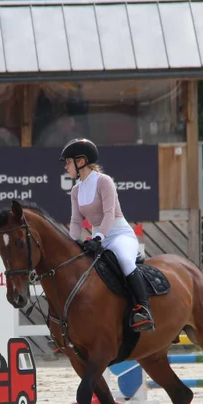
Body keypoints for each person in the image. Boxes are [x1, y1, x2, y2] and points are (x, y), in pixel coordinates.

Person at [60, 138, 154, 332]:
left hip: (119, 234)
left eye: (68, 162)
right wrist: (71, 243)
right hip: (98, 238)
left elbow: (109, 213)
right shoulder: (76, 190)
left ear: (81, 161)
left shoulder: (104, 181)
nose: (65, 167)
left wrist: (99, 238)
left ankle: (143, 309)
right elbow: (76, 221)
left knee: (125, 261)